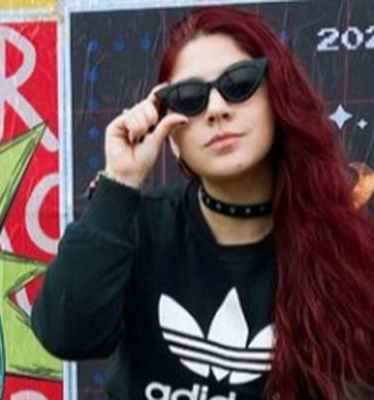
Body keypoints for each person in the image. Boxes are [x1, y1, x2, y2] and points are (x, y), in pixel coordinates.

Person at [30, 6, 374, 400]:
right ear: (171, 135)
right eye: (189, 98)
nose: (216, 109)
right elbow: (65, 333)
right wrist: (119, 183)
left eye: (239, 84)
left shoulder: (345, 250)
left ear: (278, 99)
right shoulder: (138, 225)